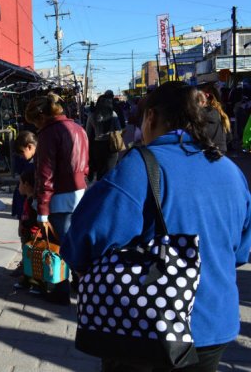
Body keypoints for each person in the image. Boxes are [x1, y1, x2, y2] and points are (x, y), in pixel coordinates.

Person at [61, 81, 251, 371]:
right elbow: (241, 252)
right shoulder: (230, 170)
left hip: (148, 327)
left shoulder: (139, 166)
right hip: (214, 324)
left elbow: (83, 239)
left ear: (150, 117)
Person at [24, 92, 89, 304]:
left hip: (60, 198)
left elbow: (45, 175)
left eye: (34, 122)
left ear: (41, 117)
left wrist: (42, 210)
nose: (35, 127)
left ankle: (60, 290)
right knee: (75, 242)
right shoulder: (78, 128)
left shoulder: (49, 134)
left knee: (58, 245)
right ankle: (81, 285)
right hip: (80, 192)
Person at [12, 169, 42, 293]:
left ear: (27, 185)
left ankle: (37, 285)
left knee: (35, 260)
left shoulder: (33, 202)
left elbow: (35, 219)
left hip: (34, 236)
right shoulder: (27, 199)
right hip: (27, 235)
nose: (18, 186)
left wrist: (26, 224)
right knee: (27, 258)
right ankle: (26, 280)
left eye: (19, 183)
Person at [86, 95, 121, 181]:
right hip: (111, 145)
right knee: (110, 170)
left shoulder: (92, 115)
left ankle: (100, 188)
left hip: (97, 146)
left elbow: (87, 133)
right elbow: (119, 130)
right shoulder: (113, 114)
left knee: (100, 171)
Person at [199, 84, 230, 153]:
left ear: (206, 96)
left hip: (208, 154)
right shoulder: (220, 112)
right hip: (220, 151)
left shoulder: (200, 114)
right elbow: (229, 136)